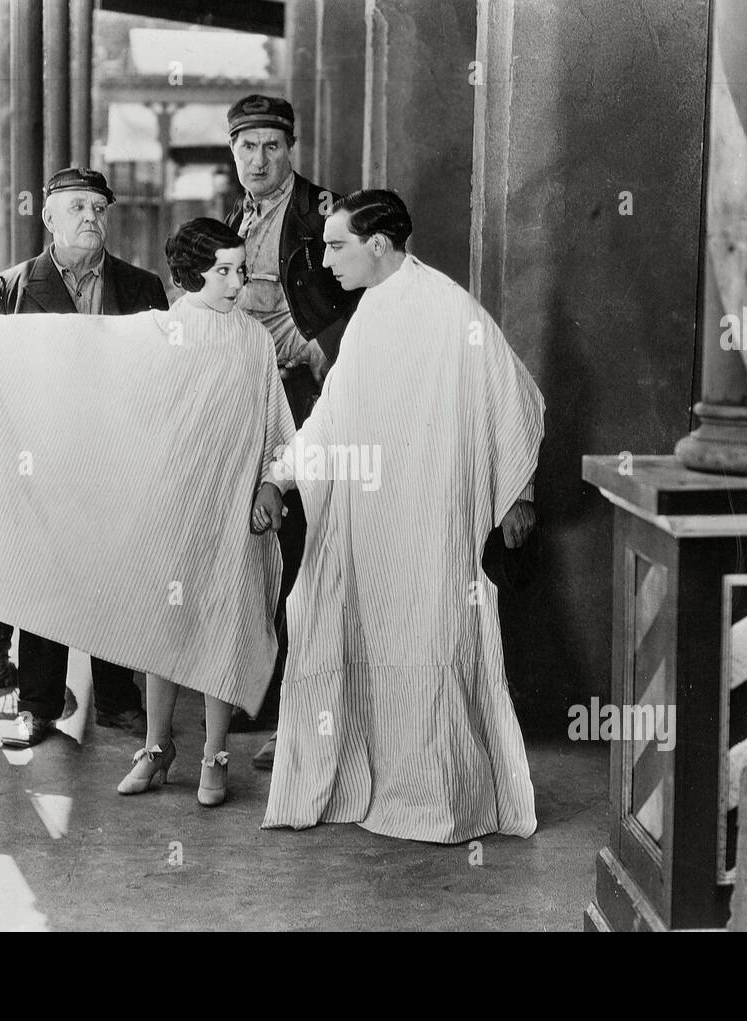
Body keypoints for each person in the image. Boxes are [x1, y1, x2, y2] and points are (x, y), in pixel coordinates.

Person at [253, 189, 545, 843]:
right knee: (359, 631)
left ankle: (441, 801)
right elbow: (333, 420)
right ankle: (375, 784)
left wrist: (518, 493)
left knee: (433, 639)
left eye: (337, 246)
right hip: (375, 516)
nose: (326, 261)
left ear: (378, 245)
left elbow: (514, 390)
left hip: (434, 515)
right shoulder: (374, 312)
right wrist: (280, 476)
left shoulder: (447, 307)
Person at [0, 166, 168, 747]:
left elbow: (160, 377)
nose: (91, 217)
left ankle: (115, 697)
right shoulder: (10, 290)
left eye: (99, 208)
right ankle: (38, 704)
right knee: (46, 577)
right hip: (45, 459)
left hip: (117, 457)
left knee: (116, 574)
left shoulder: (141, 289)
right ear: (50, 217)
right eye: (78, 207)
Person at [113, 217, 295, 806]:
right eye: (222, 271)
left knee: (226, 624)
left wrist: (271, 486)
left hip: (236, 513)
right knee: (165, 627)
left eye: (240, 269)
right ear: (191, 274)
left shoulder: (257, 341)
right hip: (174, 507)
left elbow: (278, 431)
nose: (236, 282)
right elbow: (133, 415)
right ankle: (157, 744)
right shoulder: (162, 331)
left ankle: (216, 752)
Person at [223, 94, 361, 770]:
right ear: (233, 152)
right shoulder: (234, 218)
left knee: (308, 552)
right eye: (247, 146)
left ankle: (307, 720)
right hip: (254, 403)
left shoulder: (327, 213)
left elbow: (367, 296)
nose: (259, 158)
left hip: (310, 401)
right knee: (266, 545)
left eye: (271, 145)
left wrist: (314, 345)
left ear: (291, 149)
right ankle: (274, 699)